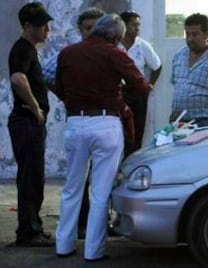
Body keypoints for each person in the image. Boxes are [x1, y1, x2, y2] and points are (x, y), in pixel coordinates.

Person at [54, 14, 149, 261]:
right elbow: (140, 85)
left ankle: (63, 245)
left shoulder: (68, 53)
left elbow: (60, 88)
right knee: (100, 190)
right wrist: (118, 96)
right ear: (117, 37)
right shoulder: (114, 53)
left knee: (72, 187)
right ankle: (93, 251)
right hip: (106, 123)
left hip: (75, 122)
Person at [42, 7, 105, 239]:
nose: (93, 33)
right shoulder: (71, 53)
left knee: (101, 179)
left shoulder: (112, 51)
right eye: (88, 29)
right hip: (78, 119)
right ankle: (79, 226)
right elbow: (45, 72)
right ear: (80, 30)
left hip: (105, 120)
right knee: (77, 180)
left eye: (97, 28)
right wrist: (66, 94)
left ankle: (99, 227)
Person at [7, 1, 55, 247]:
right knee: (31, 179)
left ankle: (32, 227)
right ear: (27, 26)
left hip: (27, 123)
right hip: (27, 122)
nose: (47, 29)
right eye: (42, 26)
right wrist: (36, 107)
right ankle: (28, 233)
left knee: (33, 177)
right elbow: (17, 78)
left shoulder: (27, 48)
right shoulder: (23, 48)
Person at [119, 10, 162, 153]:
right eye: (134, 25)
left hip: (138, 95)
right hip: (118, 94)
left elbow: (157, 66)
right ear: (123, 26)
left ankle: (131, 165)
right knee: (118, 132)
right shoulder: (114, 45)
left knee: (136, 132)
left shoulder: (142, 46)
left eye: (139, 25)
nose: (137, 28)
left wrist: (150, 84)